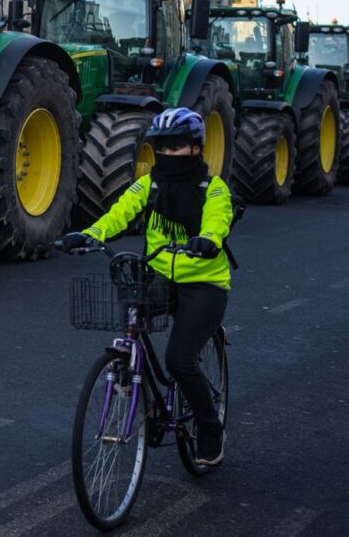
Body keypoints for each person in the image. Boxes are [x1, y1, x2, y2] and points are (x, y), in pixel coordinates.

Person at [58, 107, 235, 466]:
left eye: (176, 147)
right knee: (132, 310)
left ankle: (210, 429)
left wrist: (207, 239)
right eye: (162, 148)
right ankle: (132, 377)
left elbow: (218, 219)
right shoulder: (149, 184)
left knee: (179, 359)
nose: (168, 154)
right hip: (159, 275)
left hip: (204, 282)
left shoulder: (212, 188)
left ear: (196, 149)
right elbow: (119, 213)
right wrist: (89, 234)